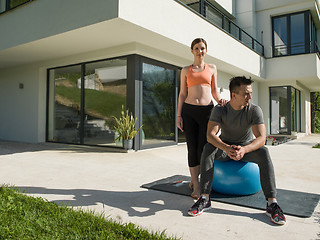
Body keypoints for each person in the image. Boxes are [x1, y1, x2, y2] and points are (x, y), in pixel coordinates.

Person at [187, 76, 286, 225]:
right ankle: (205, 198)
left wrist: (245, 149)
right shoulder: (220, 109)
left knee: (264, 151)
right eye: (246, 93)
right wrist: (226, 148)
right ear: (234, 94)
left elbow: (261, 137)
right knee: (208, 148)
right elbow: (210, 135)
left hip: (246, 148)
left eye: (250, 93)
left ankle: (272, 203)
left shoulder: (254, 110)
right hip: (225, 148)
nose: (250, 97)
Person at [176, 38, 227, 199]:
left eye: (202, 48)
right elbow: (182, 94)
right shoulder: (185, 70)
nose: (200, 51)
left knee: (203, 148)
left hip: (207, 111)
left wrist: (221, 101)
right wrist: (179, 115)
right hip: (189, 111)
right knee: (191, 147)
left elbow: (214, 92)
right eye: (197, 48)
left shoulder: (212, 68)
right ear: (192, 51)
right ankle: (196, 185)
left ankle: (197, 180)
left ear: (206, 50)